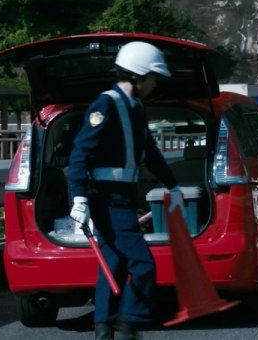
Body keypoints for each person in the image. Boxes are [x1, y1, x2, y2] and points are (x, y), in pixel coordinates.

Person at [66, 41, 184, 340]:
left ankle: (103, 326)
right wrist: (79, 197)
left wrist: (172, 184)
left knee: (114, 262)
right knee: (143, 264)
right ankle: (129, 321)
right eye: (153, 77)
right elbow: (80, 153)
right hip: (107, 199)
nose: (156, 83)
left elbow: (151, 153)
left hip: (121, 197)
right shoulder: (106, 104)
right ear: (138, 75)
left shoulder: (135, 108)